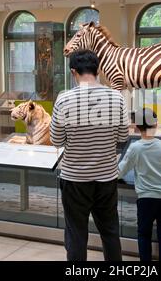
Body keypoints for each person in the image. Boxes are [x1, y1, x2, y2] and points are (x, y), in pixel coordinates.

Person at [50, 49, 129, 261]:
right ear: (98, 70)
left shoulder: (64, 99)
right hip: (106, 177)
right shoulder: (116, 97)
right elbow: (122, 137)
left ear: (73, 72)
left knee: (76, 234)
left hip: (74, 179)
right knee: (110, 231)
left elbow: (56, 141)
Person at [118, 108, 161, 261]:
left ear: (136, 126)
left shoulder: (135, 148)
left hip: (146, 200)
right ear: (156, 124)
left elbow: (121, 171)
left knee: (144, 234)